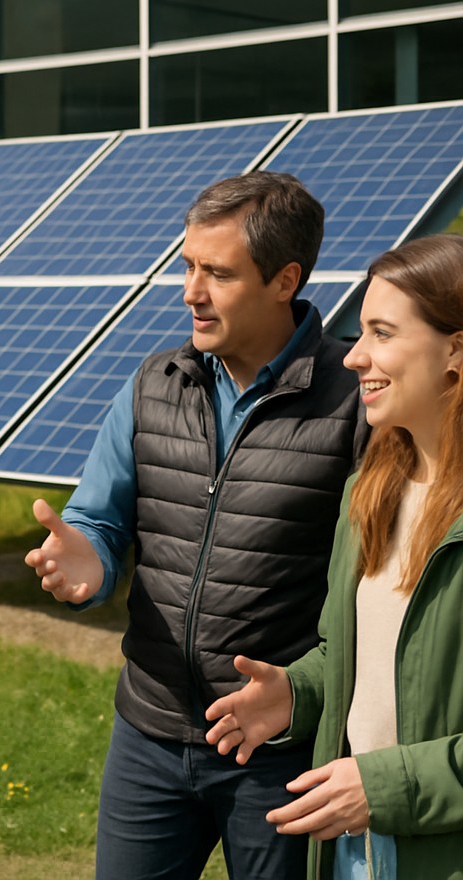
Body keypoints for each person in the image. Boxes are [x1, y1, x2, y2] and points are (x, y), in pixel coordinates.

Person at [25, 171, 369, 880]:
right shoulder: (155, 384)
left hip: (279, 752)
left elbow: (376, 590)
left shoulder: (352, 402)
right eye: (188, 266)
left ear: (285, 280)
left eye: (217, 273)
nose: (190, 292)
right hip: (147, 734)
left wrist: (302, 692)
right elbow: (98, 519)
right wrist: (87, 562)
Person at [205, 233, 463, 880]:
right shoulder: (368, 492)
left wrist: (385, 787)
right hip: (355, 847)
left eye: (382, 333)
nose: (354, 358)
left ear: (455, 351)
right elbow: (360, 655)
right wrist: (299, 691)